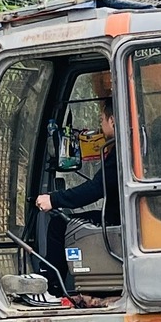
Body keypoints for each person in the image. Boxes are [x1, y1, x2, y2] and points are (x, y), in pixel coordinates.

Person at [34, 70, 117, 295]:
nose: (100, 127)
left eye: (101, 120)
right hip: (120, 214)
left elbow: (95, 189)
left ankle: (53, 288)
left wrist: (54, 199)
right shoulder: (126, 146)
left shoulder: (119, 150)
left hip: (116, 218)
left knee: (59, 225)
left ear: (112, 120)